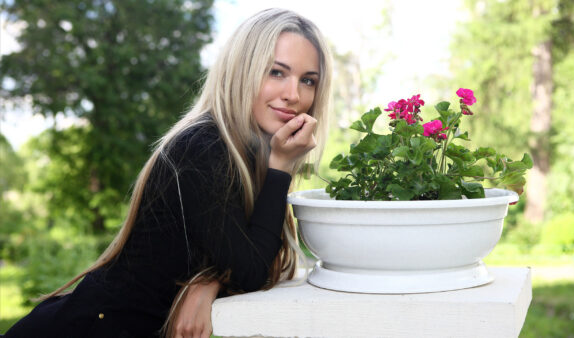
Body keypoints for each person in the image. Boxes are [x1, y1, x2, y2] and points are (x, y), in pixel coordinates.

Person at [3, 8, 332, 338]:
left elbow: (243, 257)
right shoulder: (203, 146)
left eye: (308, 80)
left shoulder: (243, 154)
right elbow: (250, 270)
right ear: (242, 70)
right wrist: (280, 170)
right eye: (276, 72)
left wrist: (210, 280)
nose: (294, 94)